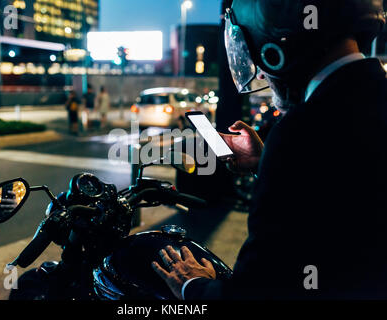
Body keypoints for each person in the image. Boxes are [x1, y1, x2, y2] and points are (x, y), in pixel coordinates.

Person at [152, 0, 387, 300]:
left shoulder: (301, 130)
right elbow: (348, 194)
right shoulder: (371, 96)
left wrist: (192, 286)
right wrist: (264, 161)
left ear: (276, 51)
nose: (261, 75)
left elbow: (258, 289)